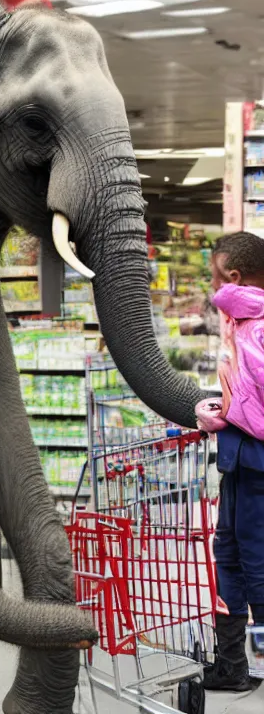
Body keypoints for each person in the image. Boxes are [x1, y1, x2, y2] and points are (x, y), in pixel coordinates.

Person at [195, 232, 264, 692]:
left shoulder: (256, 327)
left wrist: (227, 414)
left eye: (216, 278)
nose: (214, 288)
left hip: (257, 465)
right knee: (231, 556)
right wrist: (222, 408)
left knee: (256, 562)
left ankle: (246, 660)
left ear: (233, 278)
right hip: (239, 465)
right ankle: (232, 665)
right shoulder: (241, 323)